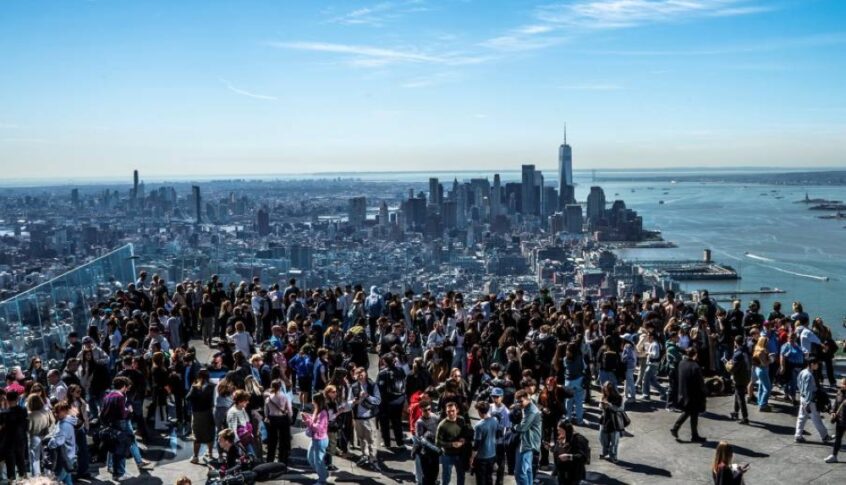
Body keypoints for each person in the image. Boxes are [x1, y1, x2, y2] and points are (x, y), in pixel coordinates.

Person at [671, 347, 707, 443]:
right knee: (692, 414)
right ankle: (680, 430)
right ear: (695, 355)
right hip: (693, 394)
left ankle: (691, 434)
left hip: (683, 392)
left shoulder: (681, 363)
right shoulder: (695, 366)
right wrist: (704, 392)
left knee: (690, 413)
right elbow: (700, 383)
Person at [350, 366, 381, 470]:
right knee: (361, 439)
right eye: (358, 375)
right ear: (355, 376)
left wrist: (367, 396)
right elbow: (349, 402)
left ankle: (373, 460)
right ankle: (364, 456)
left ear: (366, 374)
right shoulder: (353, 387)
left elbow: (378, 400)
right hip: (358, 417)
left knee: (372, 440)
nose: (360, 377)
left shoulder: (372, 385)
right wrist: (354, 401)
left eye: (362, 375)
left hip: (369, 417)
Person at [795, 358, 832, 444]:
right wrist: (807, 403)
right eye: (817, 364)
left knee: (801, 417)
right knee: (816, 418)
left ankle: (798, 435)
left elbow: (798, 384)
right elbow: (809, 390)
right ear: (812, 364)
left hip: (803, 397)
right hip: (810, 400)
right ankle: (825, 436)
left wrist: (802, 395)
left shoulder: (802, 372)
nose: (818, 366)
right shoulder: (809, 375)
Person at [377, 352, 407, 449]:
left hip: (386, 402)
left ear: (385, 362)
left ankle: (387, 443)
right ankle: (400, 443)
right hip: (399, 401)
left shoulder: (382, 373)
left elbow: (379, 389)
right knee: (397, 422)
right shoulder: (401, 370)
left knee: (384, 423)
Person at [436, 401, 470, 485]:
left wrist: (463, 439)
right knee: (446, 478)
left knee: (461, 477)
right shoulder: (442, 425)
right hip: (447, 455)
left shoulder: (461, 420)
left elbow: (465, 432)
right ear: (445, 411)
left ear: (457, 410)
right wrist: (452, 444)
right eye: (448, 411)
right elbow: (437, 442)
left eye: (453, 411)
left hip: (460, 455)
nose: (451, 413)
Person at [186, 368, 215, 464]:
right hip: (208, 413)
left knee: (197, 435)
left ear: (198, 376)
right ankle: (210, 454)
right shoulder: (212, 386)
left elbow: (188, 397)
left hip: (197, 414)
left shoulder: (195, 387)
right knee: (210, 433)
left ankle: (195, 457)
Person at [513, 389, 542, 485]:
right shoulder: (528, 406)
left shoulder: (531, 411)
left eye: (520, 401)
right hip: (529, 442)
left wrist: (513, 426)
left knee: (520, 473)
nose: (519, 404)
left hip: (528, 443)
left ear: (527, 398)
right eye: (517, 401)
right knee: (528, 470)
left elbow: (522, 427)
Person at [302, 392, 330, 485]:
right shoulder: (317, 410)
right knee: (310, 458)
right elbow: (314, 421)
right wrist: (308, 417)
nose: (312, 402)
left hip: (320, 440)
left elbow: (318, 428)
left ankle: (322, 481)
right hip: (316, 439)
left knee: (318, 461)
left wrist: (307, 420)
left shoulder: (323, 413)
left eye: (313, 400)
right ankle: (324, 474)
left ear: (317, 401)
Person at [263, 379, 293, 466]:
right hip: (283, 419)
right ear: (280, 387)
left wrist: (267, 417)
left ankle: (270, 460)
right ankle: (282, 461)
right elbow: (289, 410)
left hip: (272, 419)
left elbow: (266, 411)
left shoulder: (268, 398)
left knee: (272, 441)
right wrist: (290, 417)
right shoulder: (285, 397)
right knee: (283, 441)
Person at [552, 419, 590, 485]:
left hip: (573, 475)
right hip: (561, 474)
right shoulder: (561, 438)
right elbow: (558, 453)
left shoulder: (578, 439)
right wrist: (552, 448)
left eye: (560, 430)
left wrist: (569, 457)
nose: (558, 432)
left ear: (566, 430)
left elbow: (583, 457)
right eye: (558, 430)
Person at [48, 401, 77, 485]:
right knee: (68, 481)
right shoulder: (65, 421)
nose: (56, 414)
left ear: (65, 411)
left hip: (65, 457)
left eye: (58, 412)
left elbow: (59, 441)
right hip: (69, 456)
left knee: (55, 481)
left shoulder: (64, 425)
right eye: (55, 411)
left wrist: (50, 442)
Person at [413, 400, 441, 485]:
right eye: (425, 410)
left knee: (435, 473)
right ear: (421, 410)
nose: (428, 411)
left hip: (435, 451)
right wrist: (435, 448)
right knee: (427, 475)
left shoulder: (434, 417)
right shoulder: (419, 422)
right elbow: (421, 440)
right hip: (425, 453)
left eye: (429, 409)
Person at [26, 394, 54, 477]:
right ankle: (48, 475)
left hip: (34, 437)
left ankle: (36, 477)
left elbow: (28, 428)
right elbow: (53, 422)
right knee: (46, 457)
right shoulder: (47, 412)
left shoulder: (30, 415)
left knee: (35, 458)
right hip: (46, 436)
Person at [472, 401, 498, 485]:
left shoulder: (479, 426)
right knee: (489, 478)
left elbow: (477, 444)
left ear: (479, 411)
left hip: (481, 457)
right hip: (492, 454)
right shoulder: (495, 421)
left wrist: (471, 458)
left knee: (481, 480)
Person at [726, 336, 750, 424]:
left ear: (735, 342)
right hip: (745, 376)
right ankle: (735, 412)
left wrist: (727, 364)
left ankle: (745, 417)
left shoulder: (737, 354)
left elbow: (733, 369)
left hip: (739, 378)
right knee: (737, 395)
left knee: (740, 398)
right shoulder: (745, 350)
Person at [599, 382, 624, 463]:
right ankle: (605, 453)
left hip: (614, 422)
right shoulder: (604, 396)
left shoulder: (619, 397)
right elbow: (600, 407)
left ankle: (613, 456)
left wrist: (610, 405)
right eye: (605, 390)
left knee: (614, 441)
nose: (606, 392)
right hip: (604, 420)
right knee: (602, 439)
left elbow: (621, 409)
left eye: (608, 390)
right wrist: (602, 405)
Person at [825, 378, 846, 463]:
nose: (841, 386)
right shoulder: (839, 392)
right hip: (840, 420)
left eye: (843, 385)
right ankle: (834, 456)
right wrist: (833, 412)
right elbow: (836, 404)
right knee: (838, 438)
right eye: (841, 384)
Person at [751, 336, 772, 412]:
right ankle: (763, 405)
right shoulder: (762, 351)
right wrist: (771, 360)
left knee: (761, 387)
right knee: (768, 388)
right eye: (766, 342)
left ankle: (760, 402)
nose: (767, 343)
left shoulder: (757, 348)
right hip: (763, 370)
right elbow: (764, 363)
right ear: (763, 342)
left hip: (758, 369)